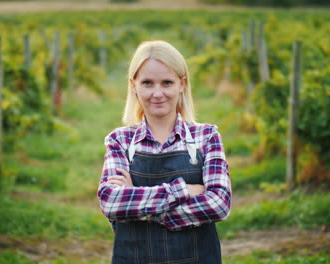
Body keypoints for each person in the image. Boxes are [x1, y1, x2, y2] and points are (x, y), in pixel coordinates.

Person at [97, 40, 231, 264]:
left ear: (182, 84)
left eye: (167, 83)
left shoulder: (206, 137)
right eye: (147, 83)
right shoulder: (120, 141)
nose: (157, 93)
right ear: (134, 85)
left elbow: (219, 203)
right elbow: (111, 203)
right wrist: (184, 190)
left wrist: (138, 207)